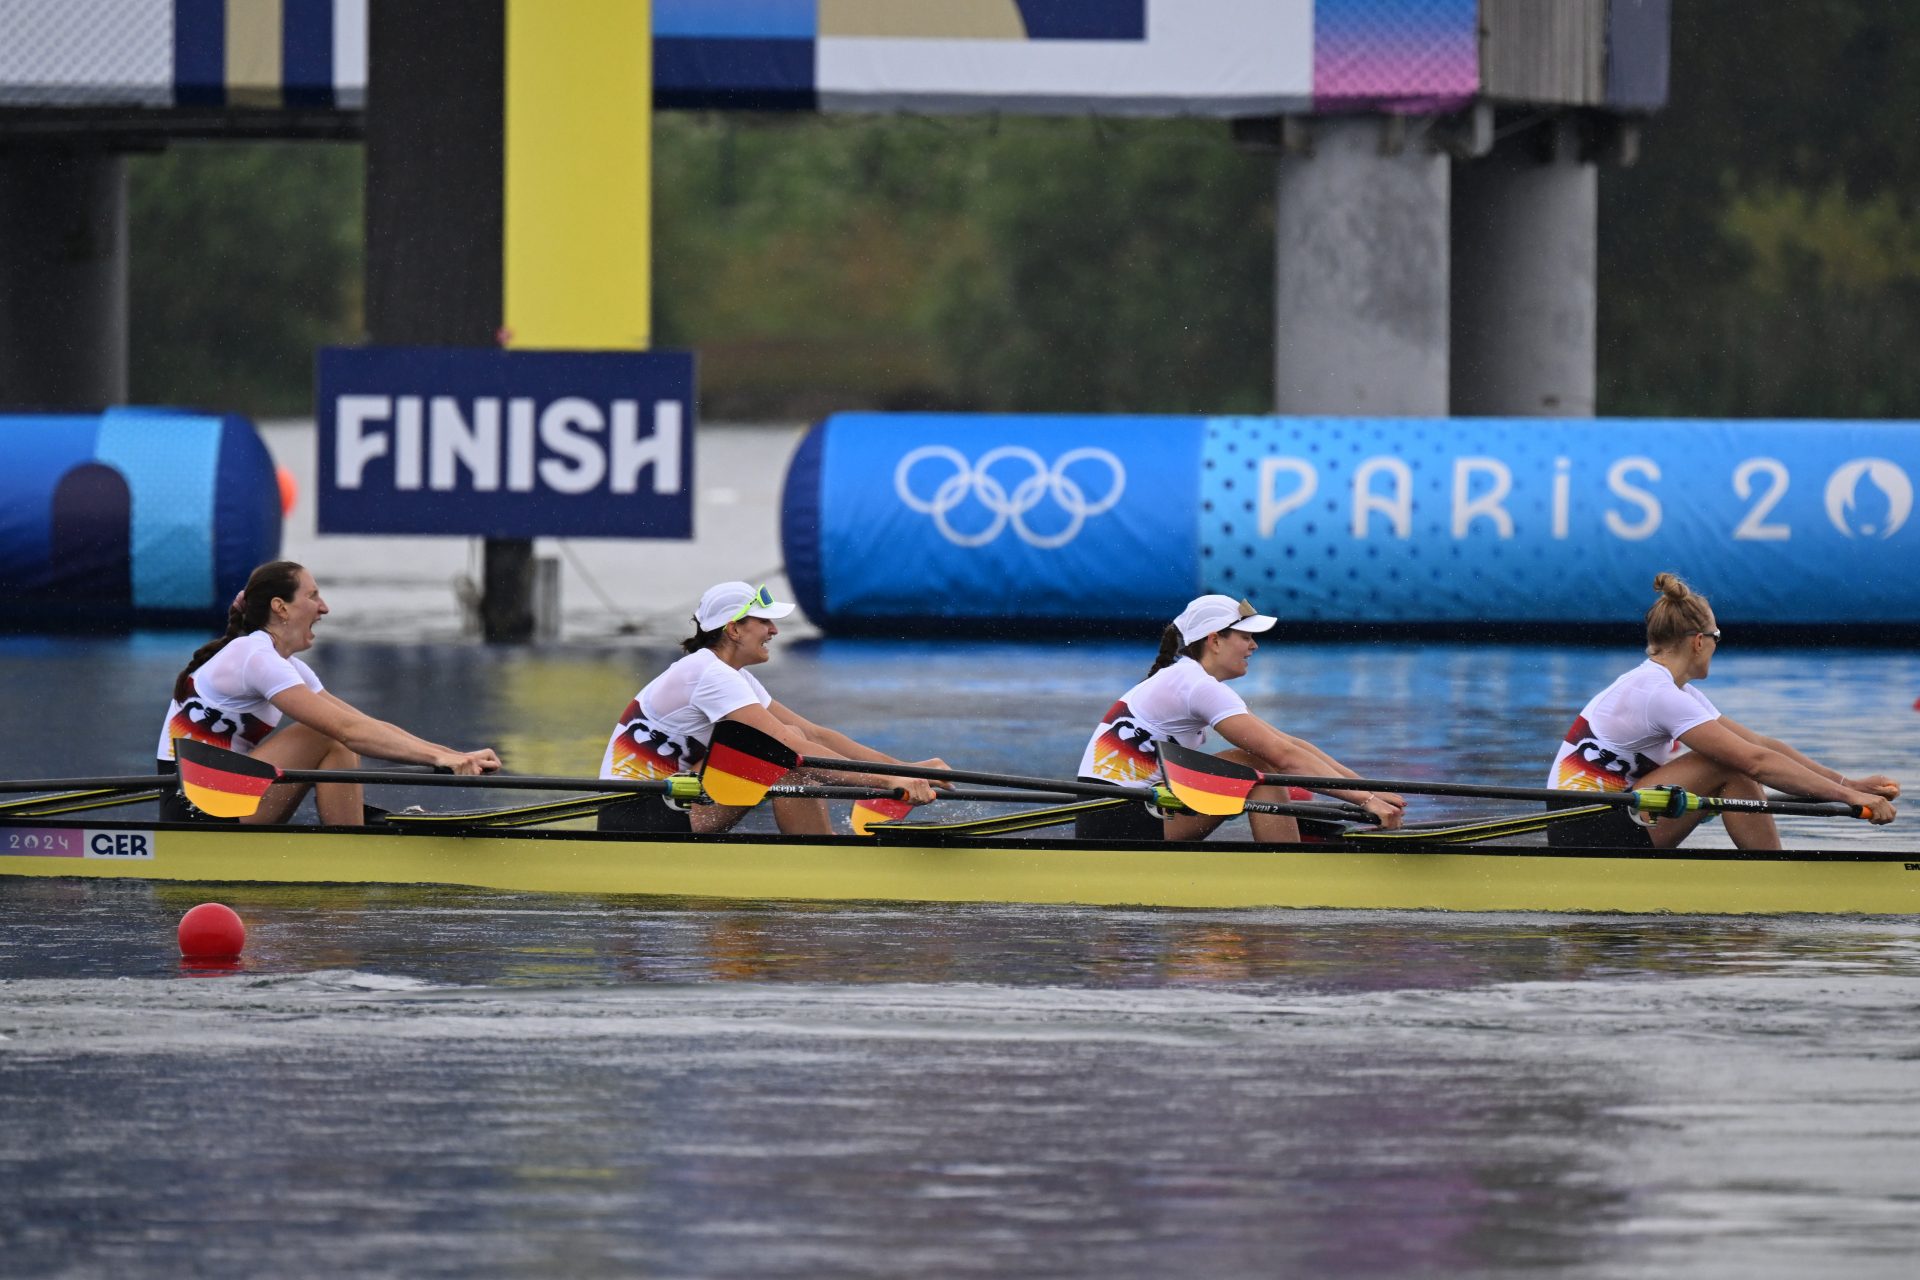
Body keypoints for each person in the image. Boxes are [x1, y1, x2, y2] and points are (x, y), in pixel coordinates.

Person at [1546, 572, 1898, 848]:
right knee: (1729, 765)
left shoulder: (1673, 690)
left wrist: (1846, 783)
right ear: (1699, 641)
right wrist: (1848, 797)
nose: (1716, 646)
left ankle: (1769, 874)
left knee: (1737, 762)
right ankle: (1773, 881)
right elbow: (1755, 762)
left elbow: (1762, 745)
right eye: (1717, 637)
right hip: (1585, 827)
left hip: (1606, 818)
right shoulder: (1658, 694)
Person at [155, 560, 501, 825]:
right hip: (194, 804)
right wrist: (441, 760)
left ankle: (350, 841)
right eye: (313, 596)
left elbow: (364, 724)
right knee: (327, 736)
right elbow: (348, 732)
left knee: (337, 737)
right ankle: (351, 848)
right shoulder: (254, 656)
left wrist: (454, 755)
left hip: (221, 795)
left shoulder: (285, 665)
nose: (324, 608)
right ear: (281, 607)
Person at [597, 581, 950, 835]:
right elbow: (796, 750)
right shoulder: (709, 674)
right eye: (764, 621)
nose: (775, 630)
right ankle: (823, 867)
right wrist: (889, 781)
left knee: (790, 745)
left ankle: (819, 857)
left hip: (674, 803)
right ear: (734, 629)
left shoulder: (729, 674)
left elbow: (816, 734)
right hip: (640, 815)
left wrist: (904, 769)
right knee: (788, 763)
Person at [1073, 594, 1405, 842]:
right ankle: (1291, 876)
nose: (1254, 646)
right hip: (1121, 823)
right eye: (1245, 637)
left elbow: (1290, 744)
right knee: (1256, 769)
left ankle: (1295, 855)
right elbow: (1285, 758)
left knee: (1259, 760)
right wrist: (1366, 801)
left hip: (1121, 813)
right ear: (1215, 640)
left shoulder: (1186, 678)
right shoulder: (1196, 686)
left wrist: (1369, 790)